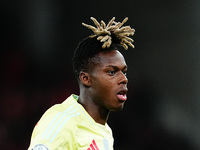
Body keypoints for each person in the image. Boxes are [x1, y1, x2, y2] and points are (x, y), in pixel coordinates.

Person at [28, 17, 135, 150]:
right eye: (111, 72)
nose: (123, 79)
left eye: (124, 72)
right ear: (86, 78)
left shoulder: (105, 131)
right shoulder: (62, 120)